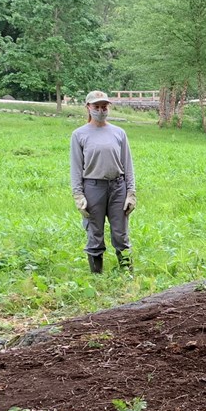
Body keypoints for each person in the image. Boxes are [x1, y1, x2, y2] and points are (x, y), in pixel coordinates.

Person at [70, 90, 136, 274]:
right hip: (93, 187)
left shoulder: (119, 133)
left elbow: (127, 163)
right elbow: (76, 167)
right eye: (96, 107)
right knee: (95, 232)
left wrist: (131, 192)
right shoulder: (79, 135)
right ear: (88, 107)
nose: (101, 110)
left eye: (104, 107)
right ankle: (97, 275)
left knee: (120, 233)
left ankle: (126, 274)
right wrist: (78, 194)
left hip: (117, 187)